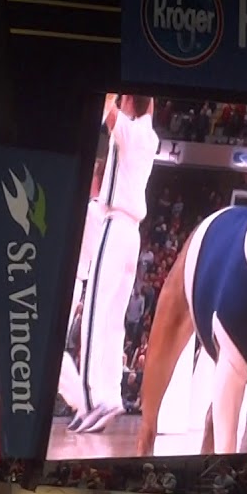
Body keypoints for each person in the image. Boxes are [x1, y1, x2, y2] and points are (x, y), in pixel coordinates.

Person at [64, 93, 159, 433]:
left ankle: (92, 400)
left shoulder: (131, 132)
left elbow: (106, 109)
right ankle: (112, 394)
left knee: (93, 314)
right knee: (114, 321)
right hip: (133, 235)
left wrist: (112, 97)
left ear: (130, 103)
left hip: (115, 223)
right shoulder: (151, 137)